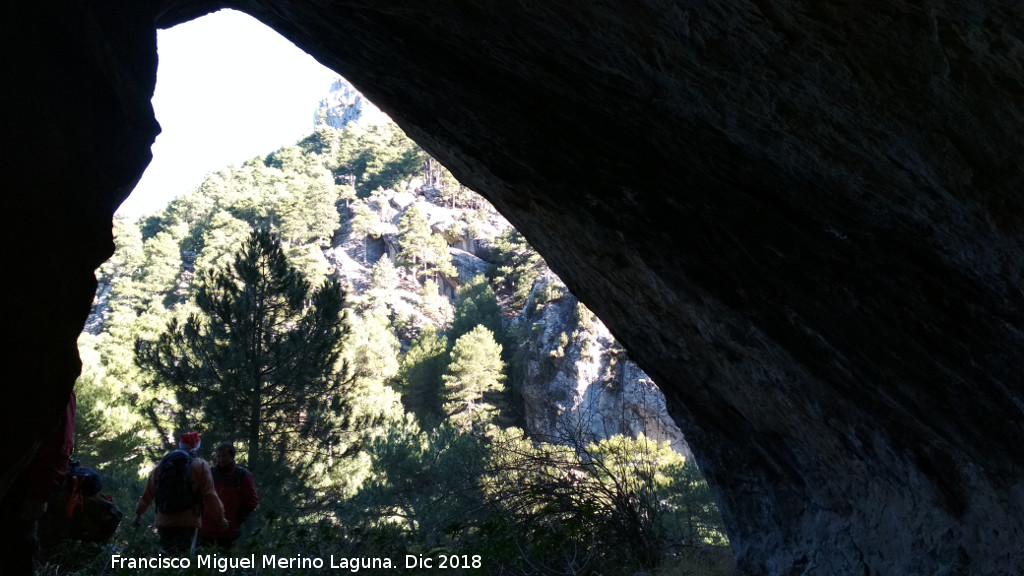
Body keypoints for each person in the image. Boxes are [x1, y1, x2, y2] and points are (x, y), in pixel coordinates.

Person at [0, 392, 75, 576]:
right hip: (20, 489)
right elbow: (62, 444)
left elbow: (60, 444)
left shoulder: (52, 375)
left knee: (15, 557)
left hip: (19, 491)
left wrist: (39, 494)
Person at [134, 432, 229, 554]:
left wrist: (138, 514)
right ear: (196, 447)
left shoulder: (163, 464)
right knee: (183, 559)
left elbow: (148, 493)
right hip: (188, 521)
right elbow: (210, 495)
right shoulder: (200, 465)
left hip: (164, 520)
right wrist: (221, 519)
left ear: (180, 446)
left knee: (165, 557)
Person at [199, 442, 258, 549]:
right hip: (205, 530)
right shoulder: (209, 473)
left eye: (224, 456)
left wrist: (237, 519)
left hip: (228, 532)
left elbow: (252, 501)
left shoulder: (243, 475)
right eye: (218, 456)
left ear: (232, 456)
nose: (221, 459)